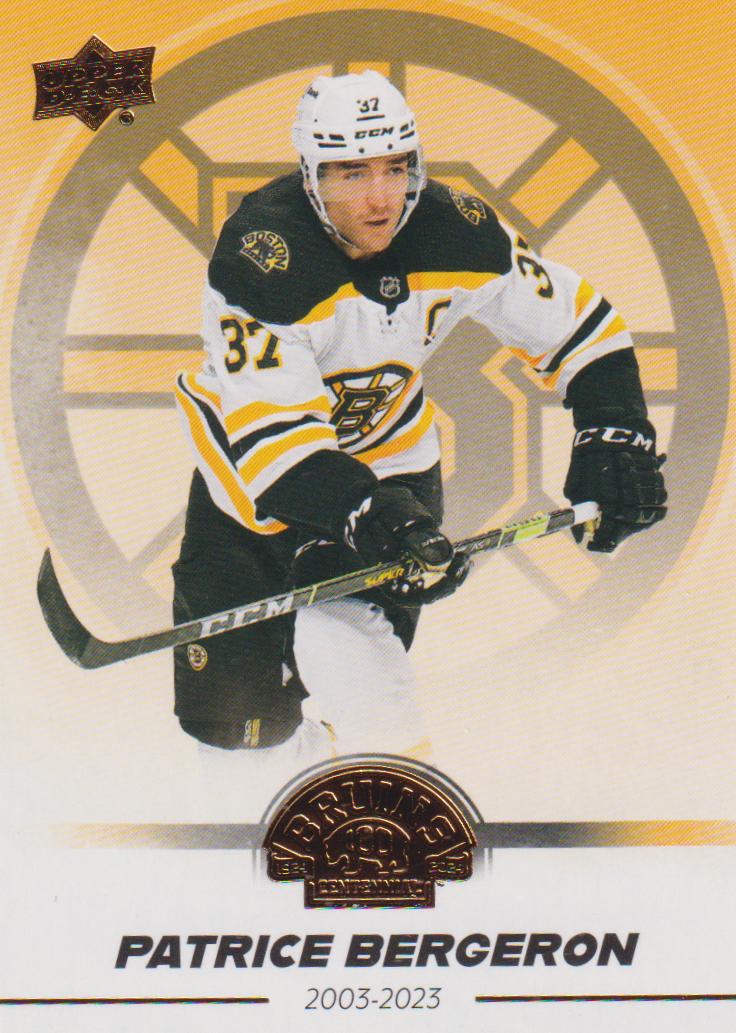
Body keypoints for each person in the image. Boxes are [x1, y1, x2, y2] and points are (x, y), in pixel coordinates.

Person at [171, 69, 666, 780]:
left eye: (396, 167)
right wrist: (368, 512)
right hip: (248, 487)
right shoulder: (262, 258)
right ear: (311, 174)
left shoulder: (456, 230)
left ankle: (394, 802)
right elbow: (277, 445)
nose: (381, 197)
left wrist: (613, 432)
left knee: (350, 647)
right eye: (352, 172)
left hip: (391, 463)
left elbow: (579, 325)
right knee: (239, 741)